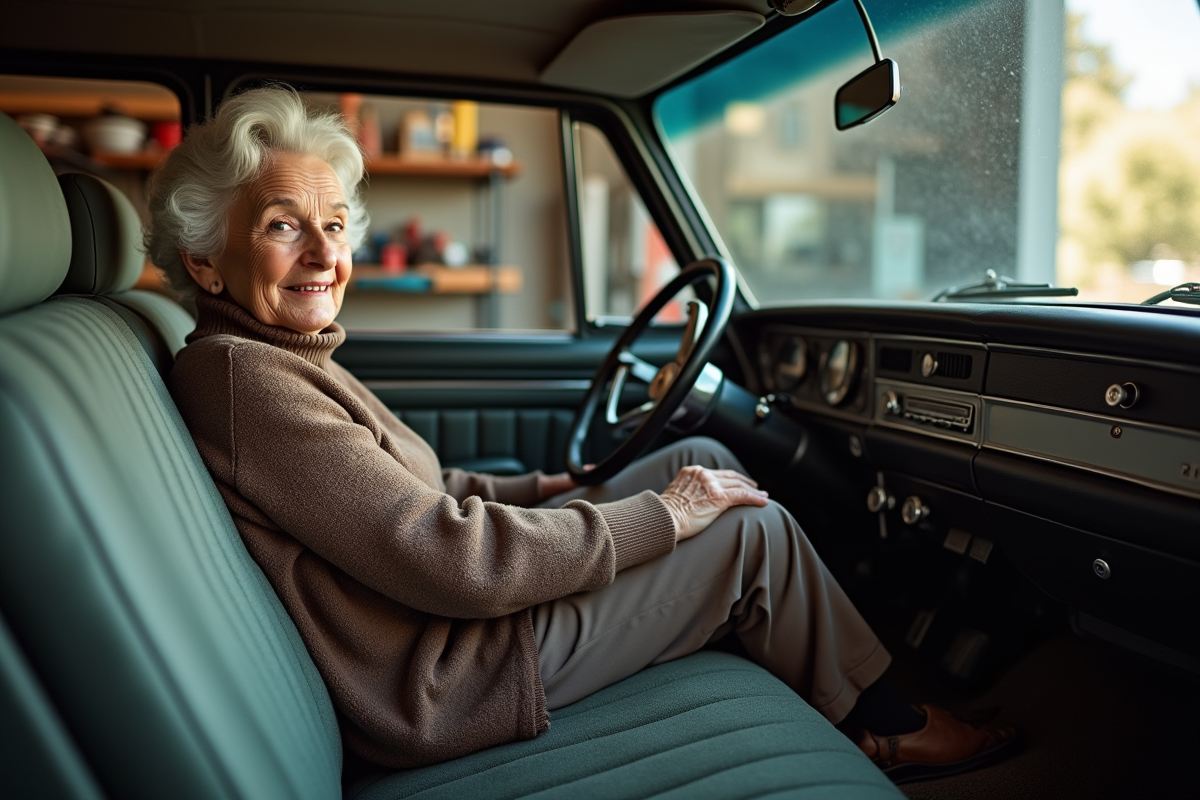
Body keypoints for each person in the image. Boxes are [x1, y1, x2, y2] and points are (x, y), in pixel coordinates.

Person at [150, 85, 1015, 784]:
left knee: (701, 458)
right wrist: (663, 519)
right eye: (281, 224)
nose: (322, 253)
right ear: (202, 257)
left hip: (449, 629)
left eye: (334, 225)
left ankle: (834, 681)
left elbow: (427, 494)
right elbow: (447, 557)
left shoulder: (280, 354)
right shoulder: (244, 377)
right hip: (445, 677)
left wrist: (554, 492)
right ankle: (891, 727)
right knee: (751, 534)